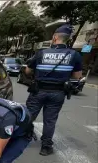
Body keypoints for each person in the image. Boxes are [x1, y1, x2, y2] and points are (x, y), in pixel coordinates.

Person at [25, 24, 82, 156]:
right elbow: (77, 76)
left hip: (38, 91)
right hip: (58, 93)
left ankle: (19, 138)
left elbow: (28, 71)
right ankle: (45, 147)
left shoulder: (41, 53)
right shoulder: (74, 55)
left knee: (28, 116)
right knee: (50, 120)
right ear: (67, 39)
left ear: (55, 37)